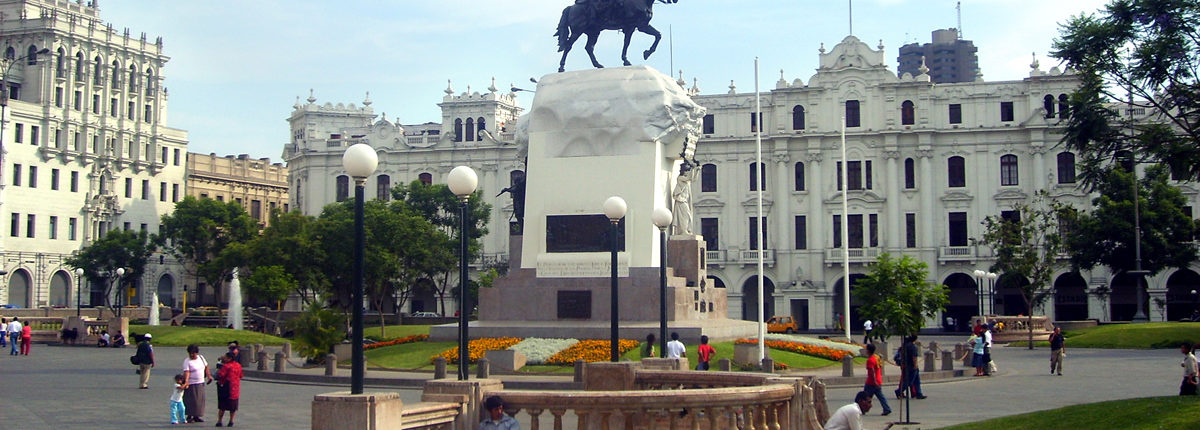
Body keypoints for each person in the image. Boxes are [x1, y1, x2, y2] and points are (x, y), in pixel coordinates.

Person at [825, 391, 896, 430]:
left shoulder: (855, 409)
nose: (871, 406)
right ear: (861, 401)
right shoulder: (854, 411)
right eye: (869, 402)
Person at [181, 344, 212, 423]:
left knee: (199, 401)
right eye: (190, 353)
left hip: (200, 382)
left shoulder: (201, 358)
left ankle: (196, 416)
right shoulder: (187, 361)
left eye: (193, 353)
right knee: (191, 400)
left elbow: (206, 367)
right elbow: (186, 372)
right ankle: (189, 415)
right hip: (191, 383)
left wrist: (209, 376)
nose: (192, 355)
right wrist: (186, 381)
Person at [863, 343, 892, 416]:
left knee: (865, 397)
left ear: (868, 351)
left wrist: (874, 381)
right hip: (878, 380)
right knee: (880, 396)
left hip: (871, 382)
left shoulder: (870, 360)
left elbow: (872, 372)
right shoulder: (876, 357)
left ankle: (862, 409)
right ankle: (886, 408)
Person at [894, 335, 926, 399]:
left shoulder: (905, 345)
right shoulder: (913, 347)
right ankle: (899, 391)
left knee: (916, 380)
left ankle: (919, 393)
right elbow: (914, 357)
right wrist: (915, 365)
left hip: (906, 365)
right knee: (910, 381)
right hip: (911, 366)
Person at [216, 352, 243, 427]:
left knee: (222, 406)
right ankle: (231, 421)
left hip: (226, 387)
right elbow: (241, 375)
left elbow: (220, 375)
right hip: (235, 388)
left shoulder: (226, 366)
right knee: (233, 407)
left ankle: (219, 421)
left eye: (225, 357)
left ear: (229, 358)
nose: (224, 358)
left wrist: (219, 364)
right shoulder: (238, 365)